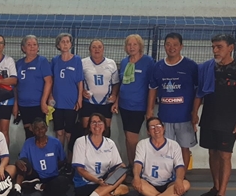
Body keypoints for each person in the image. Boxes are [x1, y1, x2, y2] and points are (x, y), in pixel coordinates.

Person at [193, 34, 236, 196]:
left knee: (225, 156)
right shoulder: (208, 68)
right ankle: (215, 187)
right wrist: (194, 113)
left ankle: (221, 195)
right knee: (212, 153)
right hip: (209, 118)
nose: (215, 50)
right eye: (213, 47)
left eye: (219, 47)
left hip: (228, 121)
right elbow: (199, 92)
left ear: (230, 47)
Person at [146, 33, 198, 172]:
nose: (172, 48)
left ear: (181, 46)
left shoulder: (191, 66)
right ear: (164, 46)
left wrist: (195, 112)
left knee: (183, 148)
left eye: (175, 45)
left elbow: (198, 92)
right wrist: (149, 111)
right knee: (165, 148)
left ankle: (182, 177)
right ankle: (167, 176)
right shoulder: (158, 67)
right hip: (164, 118)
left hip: (185, 118)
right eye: (168, 44)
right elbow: (153, 89)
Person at [111, 34, 154, 167]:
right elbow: (122, 84)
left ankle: (137, 168)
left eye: (135, 44)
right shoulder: (125, 62)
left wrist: (149, 109)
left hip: (138, 106)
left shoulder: (148, 62)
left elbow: (152, 86)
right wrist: (117, 101)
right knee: (127, 138)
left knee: (132, 138)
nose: (132, 47)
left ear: (140, 46)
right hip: (124, 105)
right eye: (129, 44)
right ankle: (131, 165)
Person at [73, 113, 129, 196]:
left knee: (122, 172)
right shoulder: (81, 142)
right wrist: (97, 181)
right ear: (89, 126)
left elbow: (120, 165)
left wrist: (116, 174)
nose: (97, 125)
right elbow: (80, 170)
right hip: (85, 183)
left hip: (104, 181)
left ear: (104, 126)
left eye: (100, 122)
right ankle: (112, 190)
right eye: (93, 122)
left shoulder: (110, 143)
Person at [131, 117, 190, 196]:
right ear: (148, 131)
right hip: (149, 182)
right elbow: (138, 164)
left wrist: (178, 180)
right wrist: (136, 177)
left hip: (168, 183)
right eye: (152, 127)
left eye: (158, 126)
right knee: (138, 183)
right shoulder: (143, 144)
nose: (156, 129)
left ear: (163, 128)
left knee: (185, 184)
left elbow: (180, 166)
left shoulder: (174, 145)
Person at [11, 118, 69, 196]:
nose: (40, 130)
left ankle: (41, 186)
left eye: (42, 128)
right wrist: (17, 162)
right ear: (33, 130)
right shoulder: (28, 143)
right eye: (37, 128)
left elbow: (62, 160)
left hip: (52, 177)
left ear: (46, 128)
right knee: (22, 163)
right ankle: (17, 191)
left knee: (63, 182)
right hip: (35, 175)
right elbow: (22, 159)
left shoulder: (55, 142)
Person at [14, 35, 52, 139]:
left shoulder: (42, 61)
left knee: (39, 133)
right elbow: (16, 85)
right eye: (29, 45)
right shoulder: (19, 64)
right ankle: (29, 154)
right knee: (28, 133)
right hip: (23, 105)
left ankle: (39, 154)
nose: (32, 47)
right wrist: (16, 104)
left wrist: (43, 102)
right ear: (23, 48)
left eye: (35, 44)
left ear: (38, 47)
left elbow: (48, 82)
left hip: (37, 105)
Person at [50, 33, 83, 149]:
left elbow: (80, 81)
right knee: (59, 132)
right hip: (57, 102)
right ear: (58, 45)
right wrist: (50, 96)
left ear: (71, 44)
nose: (65, 44)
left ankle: (69, 160)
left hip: (71, 102)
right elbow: (51, 80)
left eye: (67, 41)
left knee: (69, 133)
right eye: (62, 42)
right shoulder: (55, 60)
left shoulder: (77, 60)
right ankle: (60, 160)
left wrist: (79, 98)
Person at [80, 39, 120, 136]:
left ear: (103, 49)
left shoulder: (111, 63)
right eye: (94, 47)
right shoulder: (83, 63)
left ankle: (104, 150)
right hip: (88, 102)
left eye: (99, 47)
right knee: (87, 129)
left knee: (105, 130)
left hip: (106, 102)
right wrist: (82, 91)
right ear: (89, 49)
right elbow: (78, 81)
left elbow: (116, 83)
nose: (96, 49)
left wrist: (114, 95)